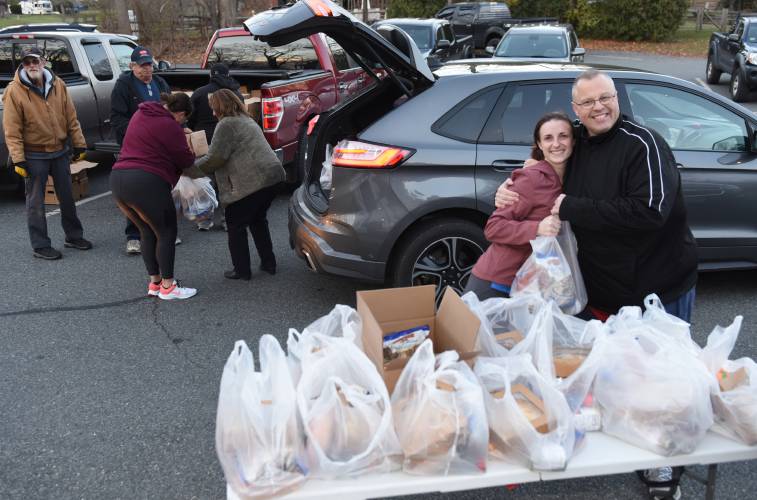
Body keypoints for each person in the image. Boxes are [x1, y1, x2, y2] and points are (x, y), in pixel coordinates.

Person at [495, 69, 697, 500]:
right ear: (576, 111)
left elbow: (650, 213)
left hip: (656, 292)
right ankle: (625, 441)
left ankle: (664, 475)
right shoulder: (581, 142)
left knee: (663, 387)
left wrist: (574, 208)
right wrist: (511, 185)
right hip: (603, 291)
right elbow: (543, 163)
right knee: (617, 382)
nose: (598, 107)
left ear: (617, 97)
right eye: (587, 103)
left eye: (604, 98)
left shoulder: (643, 145)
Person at [464, 112, 570, 300]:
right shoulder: (532, 178)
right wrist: (537, 228)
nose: (556, 144)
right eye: (548, 138)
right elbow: (493, 227)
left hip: (536, 285)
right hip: (498, 283)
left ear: (574, 140)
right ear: (539, 144)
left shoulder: (575, 178)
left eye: (563, 136)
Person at [184, 89, 285, 281]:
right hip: (274, 177)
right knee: (257, 220)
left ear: (220, 106)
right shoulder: (245, 119)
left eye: (213, 108)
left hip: (256, 180)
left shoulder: (227, 124)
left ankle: (242, 270)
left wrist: (188, 170)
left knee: (235, 224)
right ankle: (268, 263)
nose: (212, 112)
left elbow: (215, 158)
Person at [2, 45, 92, 260]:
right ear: (23, 65)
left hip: (60, 151)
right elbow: (11, 129)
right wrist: (19, 160)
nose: (32, 65)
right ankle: (40, 245)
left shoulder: (58, 84)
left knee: (67, 197)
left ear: (43, 62)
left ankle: (73, 236)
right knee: (35, 203)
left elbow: (71, 116)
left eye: (35, 61)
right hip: (34, 155)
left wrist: (79, 144)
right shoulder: (14, 91)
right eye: (27, 62)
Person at [110, 93, 197, 300]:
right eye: (184, 119)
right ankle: (169, 286)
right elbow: (185, 160)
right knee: (166, 232)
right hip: (146, 182)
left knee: (146, 230)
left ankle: (155, 283)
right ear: (182, 113)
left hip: (118, 178)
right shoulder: (170, 126)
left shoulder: (141, 114)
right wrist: (190, 147)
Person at [110, 46, 171, 255]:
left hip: (160, 146)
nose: (147, 70)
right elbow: (117, 118)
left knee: (161, 188)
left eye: (149, 65)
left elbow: (169, 112)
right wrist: (138, 132)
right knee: (135, 192)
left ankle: (162, 231)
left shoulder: (160, 83)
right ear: (132, 66)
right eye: (142, 66)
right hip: (135, 147)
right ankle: (134, 236)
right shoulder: (123, 86)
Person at [187, 62, 244, 231]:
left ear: (210, 75)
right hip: (228, 142)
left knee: (203, 182)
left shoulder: (199, 93)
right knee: (228, 181)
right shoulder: (234, 94)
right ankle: (228, 220)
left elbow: (189, 119)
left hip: (203, 142)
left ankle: (204, 220)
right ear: (228, 75)